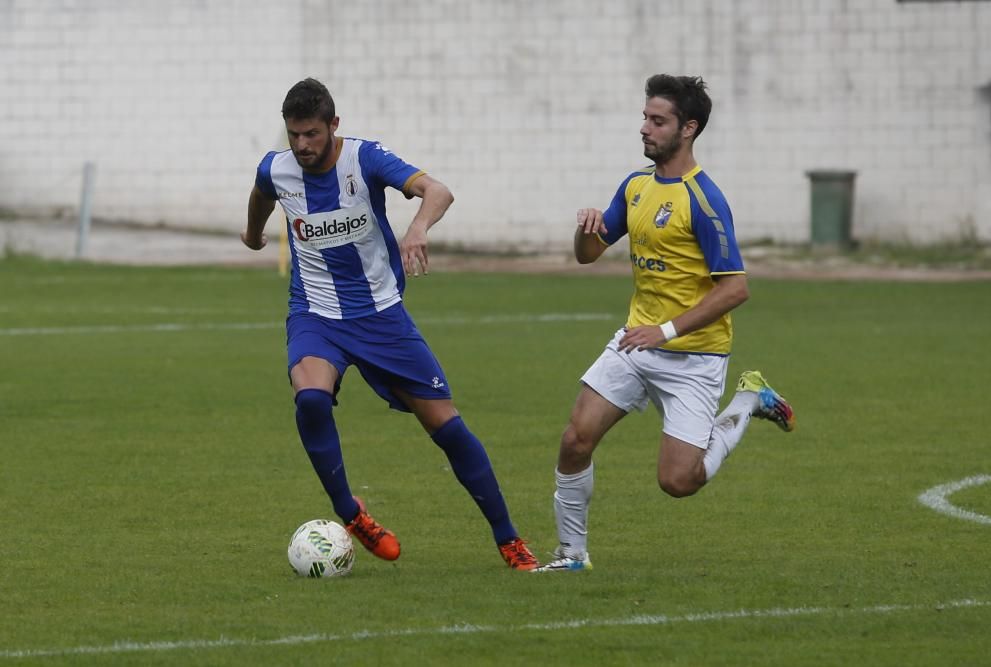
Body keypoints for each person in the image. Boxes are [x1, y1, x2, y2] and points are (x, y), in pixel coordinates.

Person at [242, 78, 538, 570]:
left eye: (312, 134)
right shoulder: (277, 169)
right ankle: (350, 513)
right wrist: (253, 234)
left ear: (333, 125)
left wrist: (417, 229)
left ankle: (508, 539)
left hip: (381, 316)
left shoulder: (366, 159)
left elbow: (437, 191)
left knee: (447, 428)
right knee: (311, 399)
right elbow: (260, 192)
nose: (302, 146)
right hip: (315, 314)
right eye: (294, 135)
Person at [534, 74, 795, 573]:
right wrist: (585, 229)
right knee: (575, 439)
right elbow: (588, 255)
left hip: (693, 357)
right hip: (636, 342)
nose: (645, 129)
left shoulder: (704, 199)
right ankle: (571, 555)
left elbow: (736, 288)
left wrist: (668, 331)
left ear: (688, 129)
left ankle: (747, 400)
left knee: (679, 482)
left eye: (658, 121)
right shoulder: (635, 186)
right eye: (645, 118)